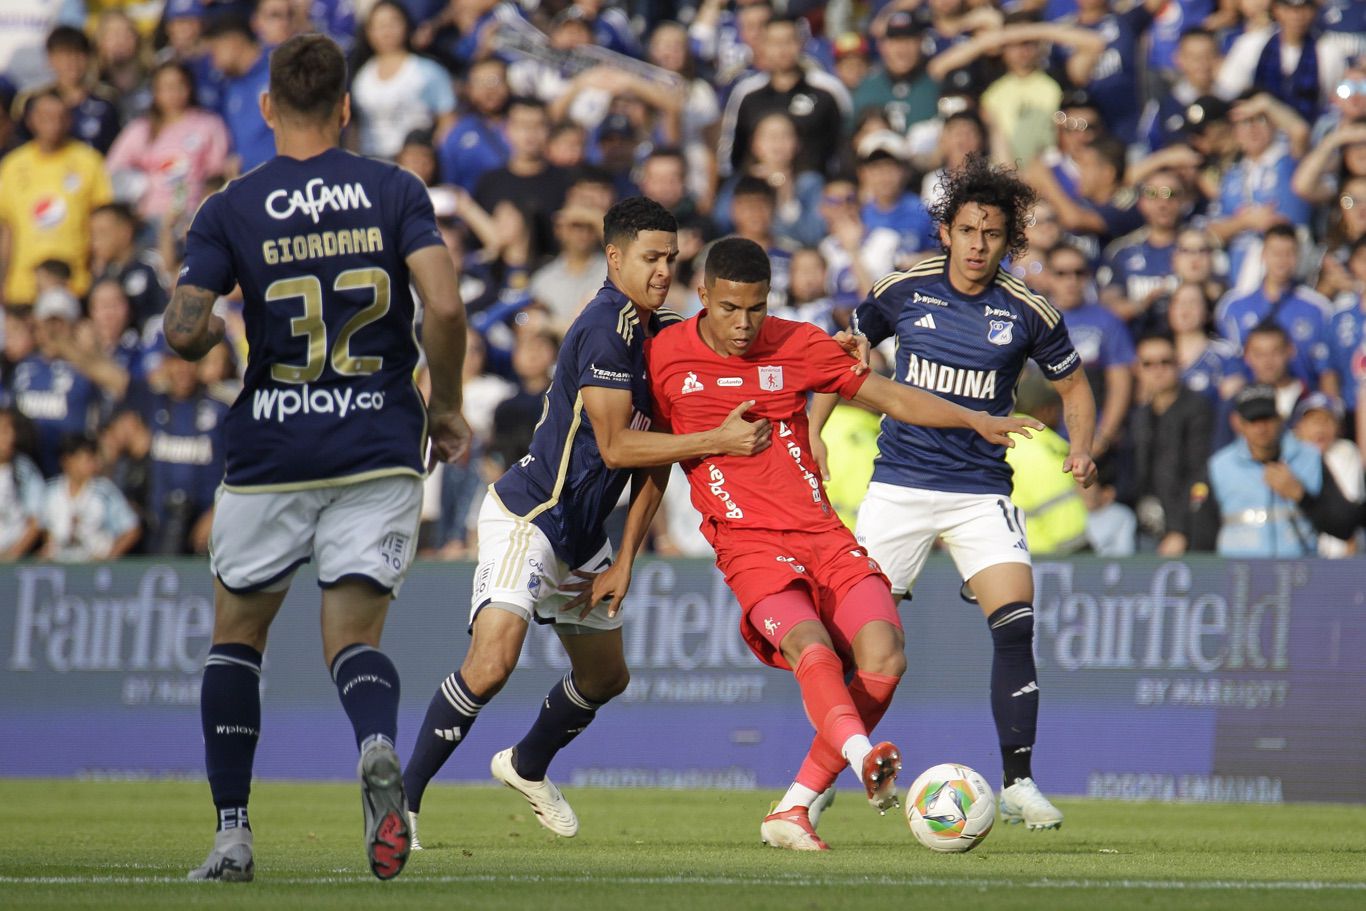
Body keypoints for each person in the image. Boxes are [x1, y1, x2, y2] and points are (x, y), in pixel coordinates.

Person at [165, 33, 472, 882]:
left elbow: (185, 332)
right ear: (345, 107)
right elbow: (445, 306)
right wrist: (446, 404)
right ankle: (375, 743)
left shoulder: (231, 205)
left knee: (238, 636)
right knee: (353, 638)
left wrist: (195, 312)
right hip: (378, 442)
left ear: (268, 107)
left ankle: (233, 835)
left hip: (272, 446)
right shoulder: (394, 188)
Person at [646, 237, 1042, 851]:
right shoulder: (664, 355)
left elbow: (890, 395)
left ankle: (794, 806)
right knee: (812, 646)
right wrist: (626, 553)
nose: (744, 324)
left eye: (756, 308)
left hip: (822, 534)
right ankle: (861, 760)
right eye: (729, 309)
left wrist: (975, 419)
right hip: (748, 544)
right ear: (702, 295)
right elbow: (643, 459)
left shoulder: (798, 343)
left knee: (885, 656)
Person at [401, 197, 772, 849]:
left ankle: (526, 764)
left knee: (605, 677)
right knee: (491, 664)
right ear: (614, 257)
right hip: (531, 515)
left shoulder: (663, 334)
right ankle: (399, 804)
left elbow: (655, 460)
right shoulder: (605, 327)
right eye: (650, 257)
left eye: (671, 258)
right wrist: (718, 439)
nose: (663, 270)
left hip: (584, 535)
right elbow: (620, 447)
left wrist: (625, 558)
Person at [811, 155, 1099, 831]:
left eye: (992, 234)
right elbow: (842, 358)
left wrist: (1082, 446)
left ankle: (1019, 782)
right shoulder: (904, 290)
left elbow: (1075, 387)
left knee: (1017, 622)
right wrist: (814, 430)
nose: (977, 245)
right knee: (857, 644)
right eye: (967, 230)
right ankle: (819, 780)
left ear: (1009, 241)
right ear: (946, 232)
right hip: (900, 485)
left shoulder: (1028, 310)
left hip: (980, 491)